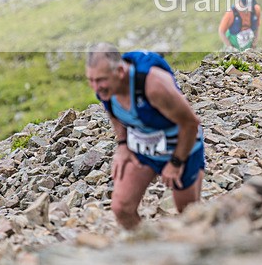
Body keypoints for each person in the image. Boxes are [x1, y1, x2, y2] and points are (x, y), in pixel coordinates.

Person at [85, 43, 204, 230]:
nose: (95, 87)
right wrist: (122, 144)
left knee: (189, 214)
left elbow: (190, 124)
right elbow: (112, 111)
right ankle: (146, 244)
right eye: (91, 80)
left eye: (100, 80)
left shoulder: (154, 86)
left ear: (120, 71)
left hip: (183, 146)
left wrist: (175, 163)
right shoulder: (106, 88)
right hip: (144, 147)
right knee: (121, 208)